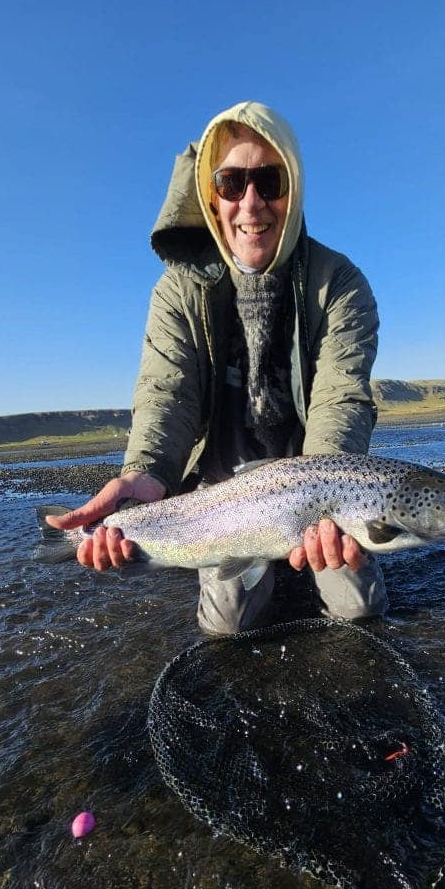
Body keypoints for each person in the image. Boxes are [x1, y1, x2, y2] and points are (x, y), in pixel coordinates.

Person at [47, 101, 388, 633]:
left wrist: (329, 495)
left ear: (293, 190)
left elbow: (341, 398)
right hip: (224, 487)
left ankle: (301, 554)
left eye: (269, 181)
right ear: (212, 197)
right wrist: (146, 474)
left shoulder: (339, 283)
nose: (252, 204)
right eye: (232, 183)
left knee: (360, 609)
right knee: (227, 627)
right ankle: (253, 558)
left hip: (316, 470)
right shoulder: (176, 291)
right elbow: (167, 394)